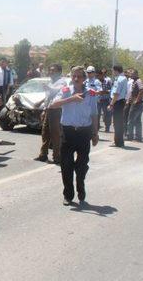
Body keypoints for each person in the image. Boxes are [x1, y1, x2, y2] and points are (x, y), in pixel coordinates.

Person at [50, 66, 99, 205]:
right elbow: (53, 104)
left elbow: (94, 114)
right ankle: (68, 195)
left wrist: (95, 133)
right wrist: (71, 99)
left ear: (84, 78)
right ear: (71, 77)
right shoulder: (65, 91)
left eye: (79, 76)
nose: (76, 79)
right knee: (66, 165)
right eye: (74, 76)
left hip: (84, 132)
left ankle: (80, 185)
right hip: (68, 132)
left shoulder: (91, 94)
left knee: (82, 165)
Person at [35, 64, 64, 164]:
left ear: (59, 72)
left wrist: (47, 87)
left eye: (53, 71)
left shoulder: (62, 82)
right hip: (49, 109)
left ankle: (57, 156)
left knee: (55, 134)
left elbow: (56, 92)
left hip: (56, 110)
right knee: (45, 132)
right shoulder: (51, 82)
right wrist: (44, 109)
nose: (51, 72)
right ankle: (43, 155)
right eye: (50, 70)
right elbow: (48, 97)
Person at [109, 65, 128, 147]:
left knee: (117, 123)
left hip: (117, 102)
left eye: (113, 71)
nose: (113, 72)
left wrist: (111, 104)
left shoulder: (119, 79)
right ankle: (119, 141)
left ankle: (118, 142)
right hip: (120, 102)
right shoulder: (123, 78)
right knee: (119, 123)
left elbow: (116, 94)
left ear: (116, 70)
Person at [126, 69, 143, 141]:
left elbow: (142, 90)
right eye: (130, 73)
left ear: (136, 74)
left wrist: (137, 100)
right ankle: (138, 137)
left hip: (137, 104)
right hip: (137, 104)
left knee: (130, 120)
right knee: (137, 121)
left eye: (132, 74)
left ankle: (129, 136)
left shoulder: (138, 81)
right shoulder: (134, 81)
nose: (131, 75)